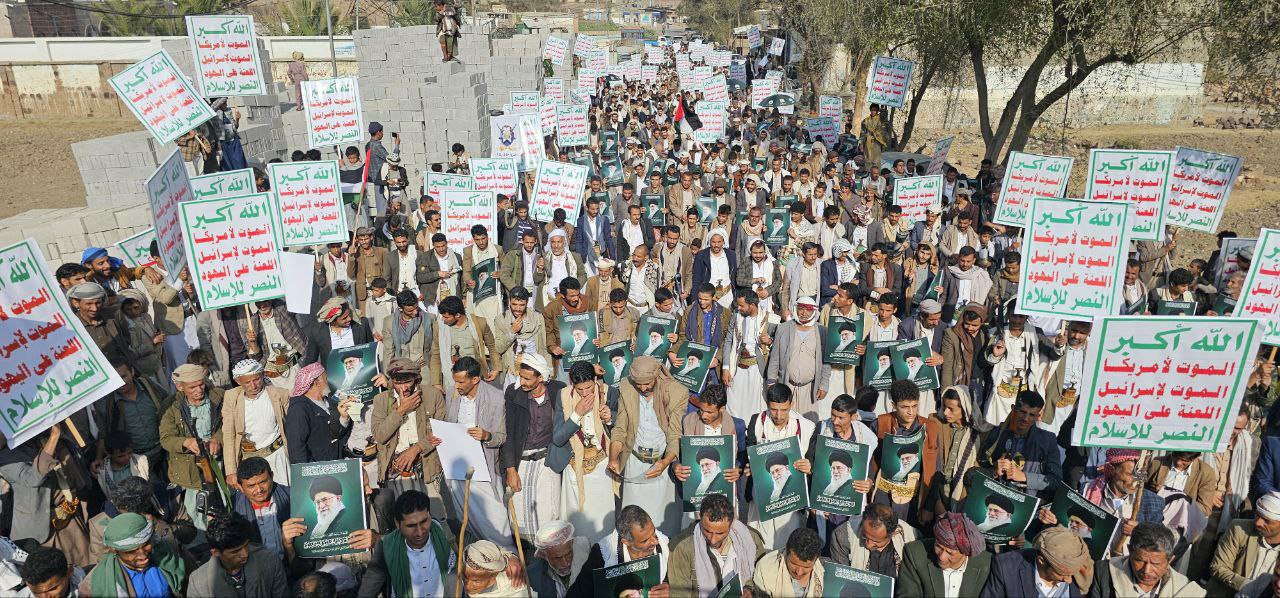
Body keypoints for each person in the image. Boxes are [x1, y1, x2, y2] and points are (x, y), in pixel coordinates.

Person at [607, 356, 687, 537]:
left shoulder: (676, 392)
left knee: (663, 528)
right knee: (634, 525)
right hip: (635, 461)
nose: (643, 389)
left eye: (647, 384)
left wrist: (665, 462)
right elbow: (620, 428)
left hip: (661, 464)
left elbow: (675, 435)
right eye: (638, 384)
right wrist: (613, 458)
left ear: (657, 375)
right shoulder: (626, 387)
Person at [370, 357, 448, 531]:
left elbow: (441, 432)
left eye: (408, 382)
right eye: (398, 383)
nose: (404, 388)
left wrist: (417, 448)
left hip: (426, 466)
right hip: (397, 472)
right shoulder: (381, 401)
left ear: (416, 378)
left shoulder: (432, 396)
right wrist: (401, 410)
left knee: (437, 520)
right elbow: (380, 435)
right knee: (407, 523)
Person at [500, 353, 567, 542]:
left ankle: (548, 549)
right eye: (521, 376)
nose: (522, 382)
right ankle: (525, 550)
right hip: (521, 459)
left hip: (547, 460)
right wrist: (511, 469)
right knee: (519, 510)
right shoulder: (513, 393)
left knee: (548, 511)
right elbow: (508, 433)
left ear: (541, 378)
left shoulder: (558, 390)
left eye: (527, 378)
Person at [744, 384, 816, 550]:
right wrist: (750, 464)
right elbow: (749, 450)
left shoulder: (807, 427)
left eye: (784, 410)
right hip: (762, 498)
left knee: (787, 544)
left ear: (791, 404)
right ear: (767, 404)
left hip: (791, 501)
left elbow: (813, 460)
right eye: (774, 409)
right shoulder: (757, 421)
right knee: (758, 543)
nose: (778, 415)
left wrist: (809, 466)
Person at [359, 490, 459, 598]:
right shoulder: (386, 547)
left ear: (429, 515)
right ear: (397, 524)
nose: (420, 532)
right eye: (411, 526)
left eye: (424, 521)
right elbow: (368, 589)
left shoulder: (450, 531)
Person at [667, 493, 765, 597]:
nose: (713, 540)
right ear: (700, 517)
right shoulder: (682, 547)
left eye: (720, 533)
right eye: (707, 531)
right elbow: (680, 593)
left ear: (732, 523)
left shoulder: (751, 540)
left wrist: (750, 591)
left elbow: (763, 581)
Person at [78, 513, 193, 597]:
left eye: (146, 545)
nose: (143, 556)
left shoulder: (168, 555)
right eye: (131, 551)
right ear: (114, 550)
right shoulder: (94, 586)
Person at [977, 390, 1061, 499]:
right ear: (1013, 408)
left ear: (1038, 416)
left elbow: (1056, 482)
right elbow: (981, 468)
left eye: (1031, 415)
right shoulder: (998, 433)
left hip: (1027, 502)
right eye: (1022, 412)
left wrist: (1025, 477)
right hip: (995, 497)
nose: (1025, 419)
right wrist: (995, 471)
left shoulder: (1047, 440)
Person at [222, 359, 291, 489]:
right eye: (247, 382)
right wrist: (231, 471)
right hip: (249, 461)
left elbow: (292, 428)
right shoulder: (232, 397)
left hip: (277, 456)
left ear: (262, 375)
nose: (253, 386)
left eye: (256, 379)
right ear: (238, 381)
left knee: (284, 494)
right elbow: (228, 436)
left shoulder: (279, 394)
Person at [1088, 522, 1205, 598]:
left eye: (1155, 564)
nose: (1146, 570)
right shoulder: (1105, 572)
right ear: (1130, 551)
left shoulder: (1185, 591)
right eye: (1140, 561)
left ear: (1170, 560)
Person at [188, 512, 288, 597]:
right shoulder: (198, 583)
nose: (245, 554)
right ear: (216, 552)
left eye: (246, 545)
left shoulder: (269, 562)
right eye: (235, 551)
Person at [980, 525, 1093, 598]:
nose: (1068, 580)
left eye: (1071, 574)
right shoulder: (1006, 568)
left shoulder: (1075, 568)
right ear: (1041, 560)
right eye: (1061, 573)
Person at [898, 512, 993, 597]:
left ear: (965, 553)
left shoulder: (987, 564)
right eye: (938, 547)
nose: (942, 557)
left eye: (950, 553)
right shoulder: (915, 554)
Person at [766, 296, 830, 421]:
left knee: (809, 424)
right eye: (801, 309)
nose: (804, 313)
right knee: (785, 422)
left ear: (814, 311)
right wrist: (771, 381)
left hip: (810, 389)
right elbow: (775, 358)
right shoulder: (783, 328)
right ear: (796, 309)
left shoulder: (822, 331)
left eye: (808, 310)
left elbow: (826, 362)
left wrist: (824, 385)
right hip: (787, 385)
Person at [1207, 492, 1280, 596]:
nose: (1258, 522)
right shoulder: (1239, 529)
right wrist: (1252, 587)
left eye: (1266, 520)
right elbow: (1218, 567)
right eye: (1257, 515)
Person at [285, 362, 355, 463]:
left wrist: (344, 418)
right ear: (316, 383)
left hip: (339, 460)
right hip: (319, 466)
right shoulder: (299, 409)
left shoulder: (330, 400)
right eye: (326, 378)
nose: (329, 381)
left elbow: (334, 432)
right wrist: (310, 470)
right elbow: (296, 449)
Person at [229, 457, 291, 561]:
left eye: (263, 482)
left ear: (272, 476)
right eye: (251, 486)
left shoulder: (292, 496)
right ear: (240, 486)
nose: (259, 490)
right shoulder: (232, 507)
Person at [721, 293, 772, 417]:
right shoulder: (736, 317)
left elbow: (779, 344)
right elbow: (728, 342)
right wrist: (725, 368)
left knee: (755, 405)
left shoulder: (770, 319)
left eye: (741, 305)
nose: (738, 308)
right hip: (737, 365)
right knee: (734, 402)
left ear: (752, 305)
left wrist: (770, 341)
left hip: (758, 368)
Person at [828, 503, 916, 575]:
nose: (868, 545)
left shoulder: (912, 539)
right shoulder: (843, 535)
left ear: (893, 533)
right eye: (864, 536)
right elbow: (840, 577)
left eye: (876, 541)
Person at [751, 527, 825, 597]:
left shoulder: (822, 570)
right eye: (794, 564)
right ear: (786, 551)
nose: (799, 572)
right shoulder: (765, 569)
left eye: (806, 567)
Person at [302, 297, 374, 367]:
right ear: (332, 320)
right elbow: (310, 361)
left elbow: (371, 351)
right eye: (344, 318)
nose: (349, 319)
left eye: (349, 314)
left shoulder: (361, 325)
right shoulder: (317, 332)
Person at [527, 520, 592, 598]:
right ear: (544, 556)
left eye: (568, 554)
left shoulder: (587, 553)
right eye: (557, 558)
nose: (565, 563)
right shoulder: (533, 577)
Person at [462, 541, 528, 597]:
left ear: (494, 575)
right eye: (465, 577)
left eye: (476, 581)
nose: (468, 586)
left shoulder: (515, 588)